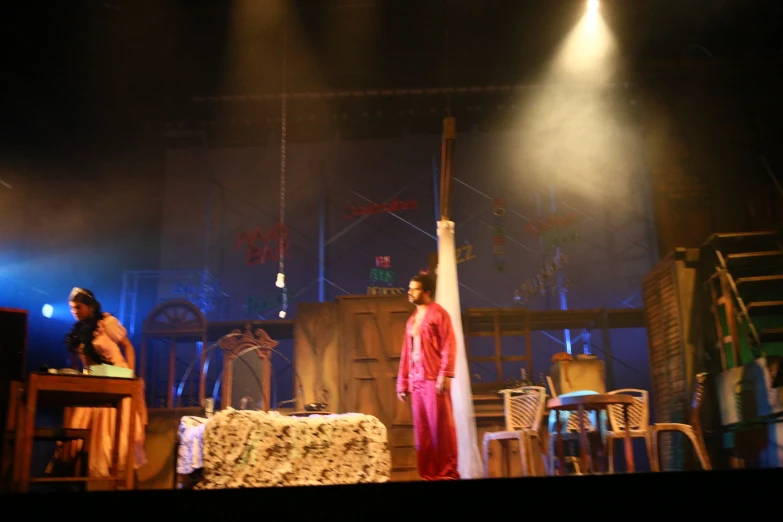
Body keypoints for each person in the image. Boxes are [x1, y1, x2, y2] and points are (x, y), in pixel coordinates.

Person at [47, 287, 148, 485]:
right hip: (94, 382)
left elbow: (128, 346)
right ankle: (66, 482)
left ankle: (128, 482)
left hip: (117, 379)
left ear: (91, 307)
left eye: (79, 306)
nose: (75, 311)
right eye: (71, 308)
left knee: (117, 441)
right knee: (76, 437)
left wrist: (131, 378)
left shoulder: (106, 323)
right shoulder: (78, 333)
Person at [396, 270, 460, 480]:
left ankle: (447, 473)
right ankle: (429, 474)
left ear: (427, 292)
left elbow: (449, 343)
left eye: (414, 289)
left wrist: (445, 374)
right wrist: (403, 383)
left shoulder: (438, 313)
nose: (410, 292)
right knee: (422, 432)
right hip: (417, 381)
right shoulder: (412, 320)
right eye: (409, 288)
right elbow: (407, 353)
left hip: (433, 379)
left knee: (439, 429)